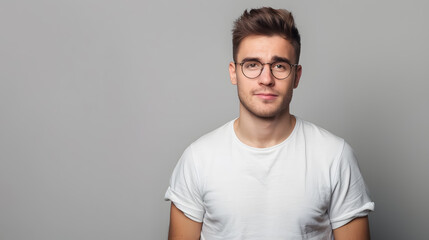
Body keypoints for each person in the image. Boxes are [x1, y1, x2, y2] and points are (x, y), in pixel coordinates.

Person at [165, 7, 374, 240]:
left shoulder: (335, 157)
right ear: (234, 73)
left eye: (279, 66)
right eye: (252, 65)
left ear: (296, 76)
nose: (266, 79)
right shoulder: (197, 159)